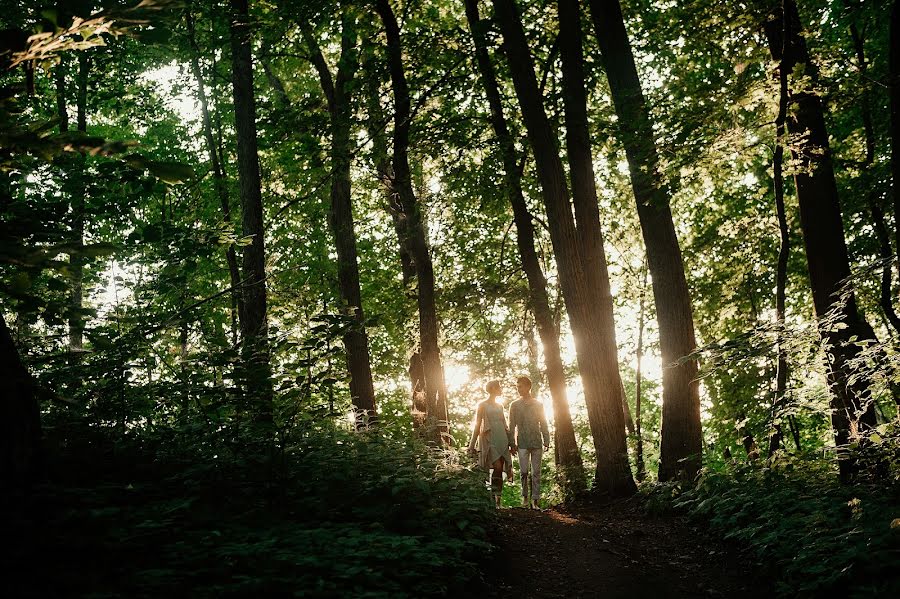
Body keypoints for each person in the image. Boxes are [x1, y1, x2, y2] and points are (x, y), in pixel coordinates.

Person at [467, 380, 514, 508]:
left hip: (502, 438)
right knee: (497, 467)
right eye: (499, 387)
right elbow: (477, 425)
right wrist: (472, 445)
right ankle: (491, 498)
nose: (501, 389)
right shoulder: (482, 405)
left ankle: (498, 499)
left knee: (501, 468)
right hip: (489, 438)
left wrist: (511, 442)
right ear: (493, 388)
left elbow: (505, 425)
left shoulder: (500, 406)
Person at [508, 376, 550, 509]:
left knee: (536, 472)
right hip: (522, 443)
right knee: (524, 471)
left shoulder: (538, 404)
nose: (518, 389)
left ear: (528, 387)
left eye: (520, 386)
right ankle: (525, 498)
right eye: (517, 387)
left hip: (537, 442)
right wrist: (511, 443)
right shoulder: (514, 405)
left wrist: (546, 440)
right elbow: (511, 425)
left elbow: (543, 423)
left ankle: (535, 501)